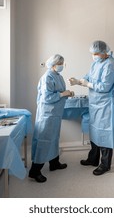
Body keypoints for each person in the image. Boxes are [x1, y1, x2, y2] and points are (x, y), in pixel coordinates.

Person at [69, 40, 114, 176]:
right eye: (93, 54)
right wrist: (79, 81)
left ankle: (105, 164)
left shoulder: (110, 65)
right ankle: (93, 159)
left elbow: (104, 87)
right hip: (95, 103)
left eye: (96, 53)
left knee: (105, 133)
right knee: (94, 131)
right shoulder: (96, 63)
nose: (94, 56)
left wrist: (87, 84)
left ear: (104, 52)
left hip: (106, 105)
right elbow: (88, 77)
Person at [29, 54, 74, 183]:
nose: (62, 66)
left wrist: (67, 93)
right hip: (47, 114)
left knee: (54, 138)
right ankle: (35, 171)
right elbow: (46, 98)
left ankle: (54, 163)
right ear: (54, 64)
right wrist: (62, 94)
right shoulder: (47, 77)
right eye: (60, 64)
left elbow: (59, 93)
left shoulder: (57, 76)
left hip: (55, 114)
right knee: (44, 140)